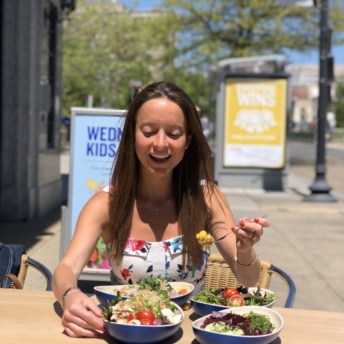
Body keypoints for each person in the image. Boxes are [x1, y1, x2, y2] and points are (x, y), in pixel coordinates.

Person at [52, 81, 269, 338]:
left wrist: (245, 249)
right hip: (128, 334)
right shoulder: (105, 204)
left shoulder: (207, 198)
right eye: (148, 131)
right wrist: (70, 295)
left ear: (188, 139)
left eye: (174, 134)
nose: (161, 143)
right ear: (132, 135)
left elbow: (248, 279)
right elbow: (66, 268)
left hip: (191, 336)